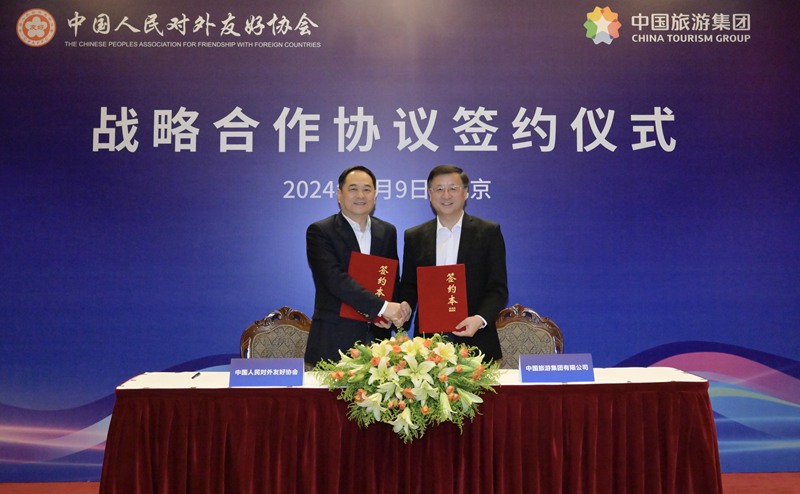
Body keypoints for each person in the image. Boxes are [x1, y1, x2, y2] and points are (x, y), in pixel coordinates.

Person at [398, 164, 508, 361]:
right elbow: (409, 285)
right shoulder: (415, 236)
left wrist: (479, 319)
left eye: (453, 188)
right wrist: (404, 306)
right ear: (430, 194)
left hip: (476, 341)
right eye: (439, 189)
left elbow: (497, 289)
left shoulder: (488, 233)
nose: (446, 195)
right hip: (428, 345)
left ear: (465, 193)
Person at [305, 165, 411, 365]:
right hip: (334, 340)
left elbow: (390, 278)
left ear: (375, 194)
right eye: (353, 189)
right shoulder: (321, 231)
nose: (360, 195)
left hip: (378, 342)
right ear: (339, 194)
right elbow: (335, 280)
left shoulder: (387, 231)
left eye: (367, 189)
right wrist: (384, 307)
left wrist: (395, 311)